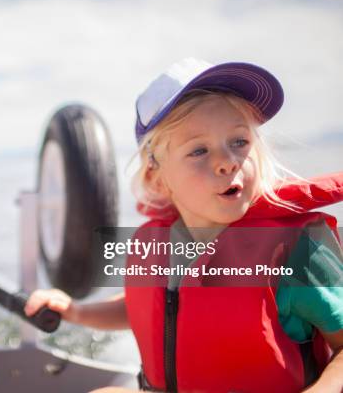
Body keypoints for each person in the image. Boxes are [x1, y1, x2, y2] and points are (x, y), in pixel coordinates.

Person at [24, 58, 343, 393]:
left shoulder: (298, 250)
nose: (226, 161)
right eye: (199, 150)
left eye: (239, 141)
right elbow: (147, 304)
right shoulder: (158, 243)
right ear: (158, 179)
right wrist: (76, 311)